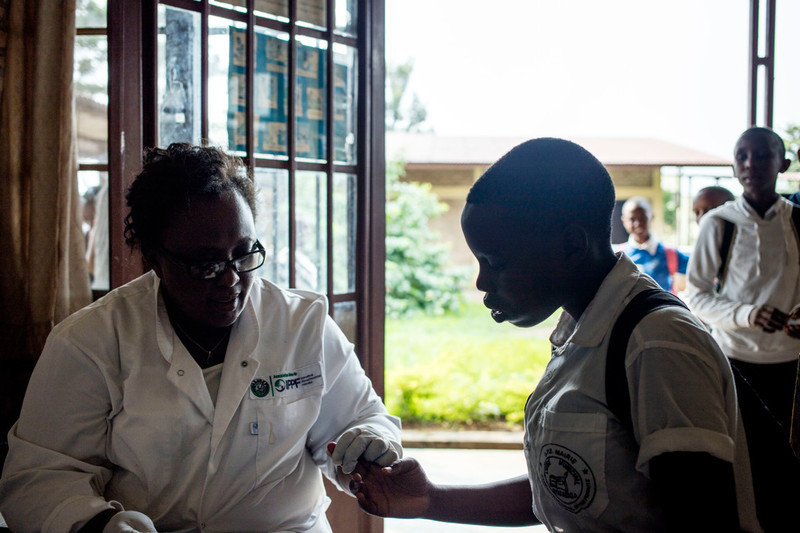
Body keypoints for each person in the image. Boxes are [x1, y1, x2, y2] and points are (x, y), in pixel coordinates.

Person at [348, 138, 759, 532]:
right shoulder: (588, 329)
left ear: (571, 245)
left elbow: (703, 520)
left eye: (495, 261)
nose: (481, 281)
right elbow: (580, 488)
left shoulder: (656, 345)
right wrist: (432, 500)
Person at [0, 144, 402, 532]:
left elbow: (361, 419)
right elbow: (41, 476)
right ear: (156, 259)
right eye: (205, 264)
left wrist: (369, 442)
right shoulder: (91, 342)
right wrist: (99, 525)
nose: (230, 281)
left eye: (244, 254)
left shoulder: (302, 325)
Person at [685, 126, 800, 436]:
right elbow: (696, 296)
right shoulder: (718, 223)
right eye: (743, 156)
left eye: (763, 155)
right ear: (735, 167)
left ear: (783, 164)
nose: (752, 163)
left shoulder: (797, 221)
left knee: (786, 451)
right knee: (742, 450)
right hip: (733, 359)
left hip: (792, 361)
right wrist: (747, 314)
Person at [619, 196, 689, 294]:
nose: (638, 223)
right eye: (632, 219)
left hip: (663, 307)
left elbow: (698, 270)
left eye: (643, 218)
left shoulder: (669, 254)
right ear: (624, 221)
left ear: (651, 217)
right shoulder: (619, 255)